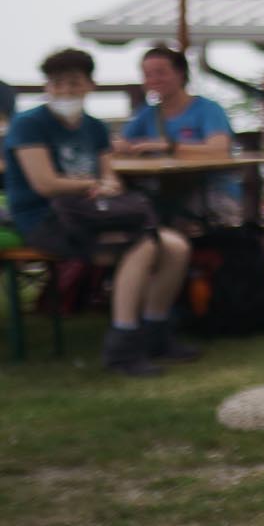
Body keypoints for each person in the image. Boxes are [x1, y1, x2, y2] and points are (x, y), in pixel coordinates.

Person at [3, 48, 199, 376]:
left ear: (89, 85)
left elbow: (109, 175)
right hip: (44, 220)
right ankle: (123, 344)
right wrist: (94, 184)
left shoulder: (93, 127)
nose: (65, 90)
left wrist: (104, 184)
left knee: (177, 247)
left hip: (90, 214)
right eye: (57, 83)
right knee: (142, 245)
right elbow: (45, 184)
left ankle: (155, 332)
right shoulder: (28, 124)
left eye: (73, 83)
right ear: (46, 87)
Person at [115, 44, 241, 223]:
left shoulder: (208, 109)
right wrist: (125, 147)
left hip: (211, 192)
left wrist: (169, 146)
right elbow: (121, 143)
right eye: (148, 75)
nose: (154, 79)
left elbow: (219, 148)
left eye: (161, 72)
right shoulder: (147, 113)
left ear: (181, 74)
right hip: (163, 192)